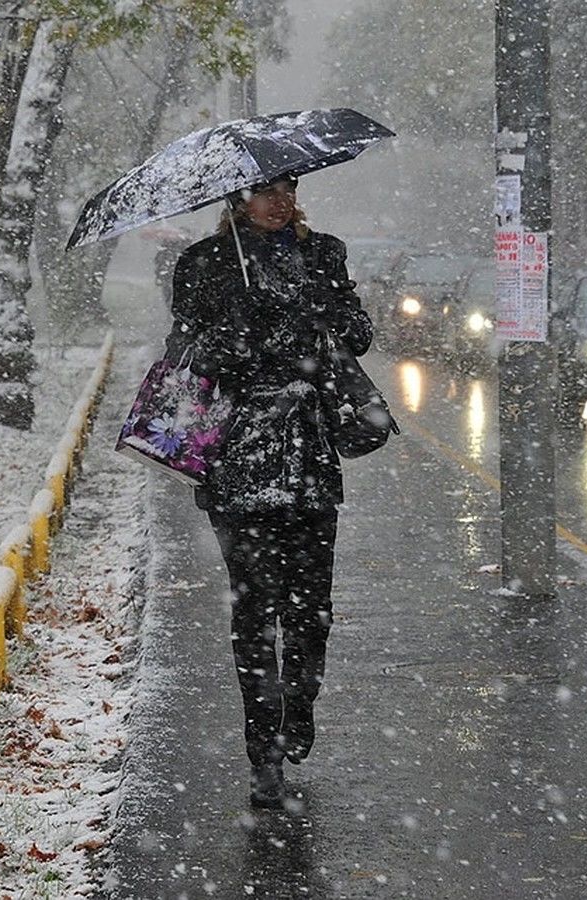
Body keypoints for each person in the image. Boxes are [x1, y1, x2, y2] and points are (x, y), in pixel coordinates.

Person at [164, 175, 373, 809]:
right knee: (254, 611)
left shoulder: (323, 254)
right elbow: (185, 354)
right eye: (264, 192)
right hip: (238, 458)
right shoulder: (203, 264)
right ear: (237, 201)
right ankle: (263, 752)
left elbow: (359, 335)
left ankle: (299, 702)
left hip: (308, 454)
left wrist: (324, 312)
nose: (279, 202)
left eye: (288, 188)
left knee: (311, 609)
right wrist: (238, 335)